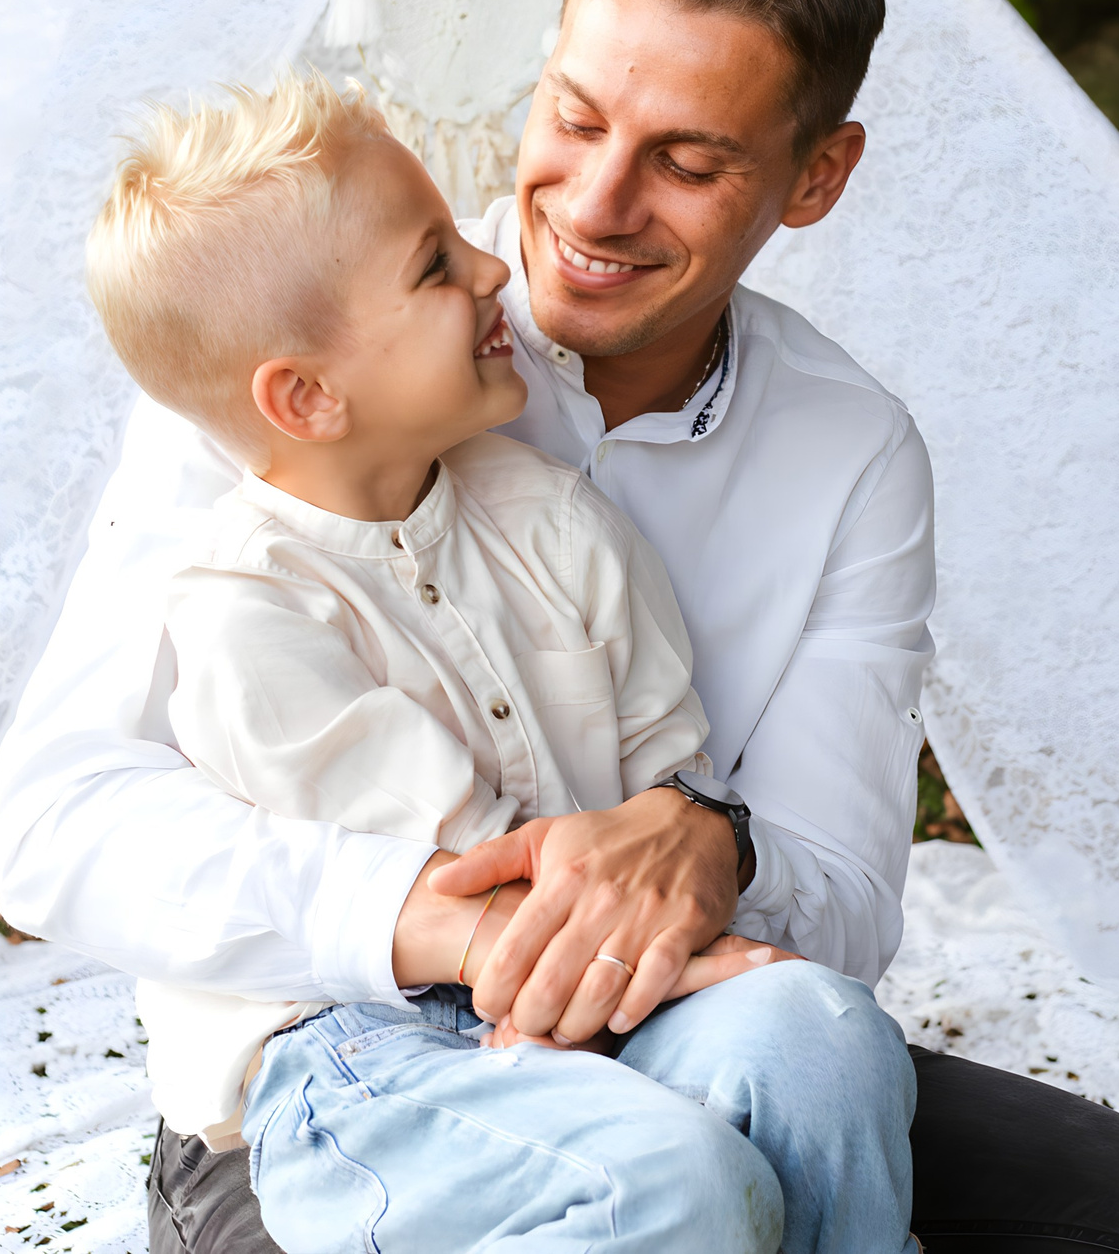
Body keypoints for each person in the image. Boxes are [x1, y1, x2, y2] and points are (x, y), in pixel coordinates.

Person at [0, 0, 1119, 1252]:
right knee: (659, 1194)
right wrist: (441, 921)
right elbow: (57, 822)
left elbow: (843, 894)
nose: (587, 209)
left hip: (678, 1020)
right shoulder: (306, 327)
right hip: (344, 1084)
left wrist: (711, 840)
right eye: (572, 119)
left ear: (814, 177)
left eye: (688, 164)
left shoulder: (851, 454)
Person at [76, 71, 917, 1252]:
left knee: (824, 1033)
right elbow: (465, 874)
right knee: (665, 1184)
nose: (490, 271)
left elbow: (669, 789)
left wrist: (683, 898)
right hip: (366, 1052)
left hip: (596, 994)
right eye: (434, 264)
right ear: (308, 396)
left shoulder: (557, 522)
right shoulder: (242, 603)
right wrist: (664, 956)